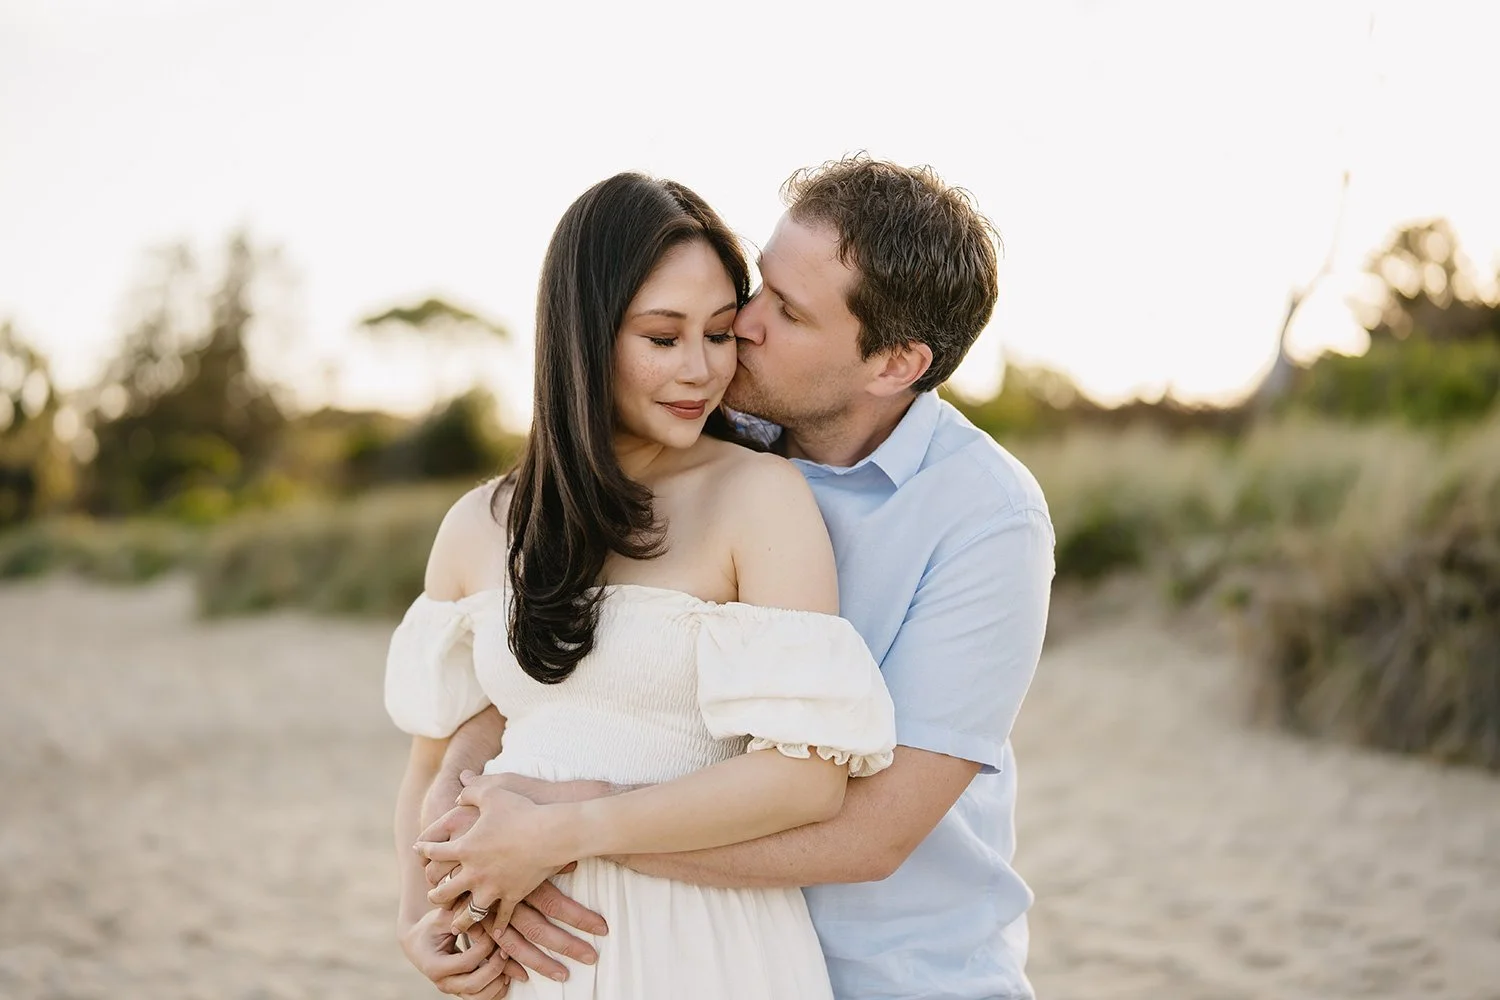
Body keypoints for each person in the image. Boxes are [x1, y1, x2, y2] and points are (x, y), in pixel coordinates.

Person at [417, 156, 1056, 1000]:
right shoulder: (694, 433)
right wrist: (462, 844)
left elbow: (869, 837)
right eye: (759, 286)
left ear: (893, 365)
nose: (741, 325)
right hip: (631, 948)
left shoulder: (985, 518)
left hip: (894, 974)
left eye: (785, 312)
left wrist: (562, 832)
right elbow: (539, 688)